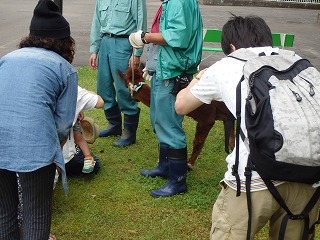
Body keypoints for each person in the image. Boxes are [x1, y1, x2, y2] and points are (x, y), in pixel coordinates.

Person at [174, 15, 320, 239]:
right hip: (308, 176)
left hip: (253, 179)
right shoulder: (299, 62)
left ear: (232, 47)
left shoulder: (228, 64)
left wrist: (199, 76)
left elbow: (181, 106)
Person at [0, 0, 78, 239]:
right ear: (65, 43)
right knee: (37, 213)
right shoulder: (64, 68)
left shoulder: (6, 59)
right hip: (35, 146)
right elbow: (64, 125)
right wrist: (54, 154)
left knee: (3, 213)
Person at [129, 0, 203, 197]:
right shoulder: (172, 2)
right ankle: (165, 166)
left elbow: (178, 37)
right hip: (164, 69)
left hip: (173, 71)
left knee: (169, 124)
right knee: (159, 119)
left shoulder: (179, 2)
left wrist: (145, 37)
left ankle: (178, 181)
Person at [89, 0, 147, 147]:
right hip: (105, 42)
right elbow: (96, 22)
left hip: (123, 43)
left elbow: (141, 23)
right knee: (104, 87)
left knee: (124, 88)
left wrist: (137, 53)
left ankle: (129, 131)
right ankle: (114, 124)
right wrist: (94, 49)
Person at [62, 86, 104, 176]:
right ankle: (87, 157)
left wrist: (77, 110)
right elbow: (100, 102)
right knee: (78, 137)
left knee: (78, 136)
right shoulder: (72, 89)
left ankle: (87, 157)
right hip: (62, 155)